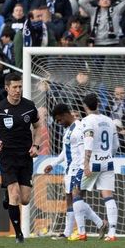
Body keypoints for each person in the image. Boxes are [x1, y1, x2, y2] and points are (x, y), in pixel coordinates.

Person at [0, 72, 40, 242]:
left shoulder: (29, 106)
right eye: (14, 87)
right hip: (7, 156)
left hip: (25, 156)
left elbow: (37, 126)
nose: (18, 90)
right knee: (15, 194)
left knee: (25, 199)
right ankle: (19, 235)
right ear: (7, 88)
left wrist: (36, 145)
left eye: (20, 86)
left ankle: (7, 197)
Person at [43, 103, 104, 240]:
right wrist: (53, 164)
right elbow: (66, 152)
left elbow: (84, 150)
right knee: (71, 200)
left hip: (79, 168)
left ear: (64, 115)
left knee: (76, 197)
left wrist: (85, 166)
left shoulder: (80, 127)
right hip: (69, 170)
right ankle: (70, 232)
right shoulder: (69, 130)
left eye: (59, 120)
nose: (59, 123)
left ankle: (81, 233)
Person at [74, 91, 121, 241]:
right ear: (98, 104)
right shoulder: (109, 121)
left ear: (84, 106)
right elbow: (116, 145)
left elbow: (88, 142)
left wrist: (86, 163)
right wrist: (107, 155)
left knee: (76, 194)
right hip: (107, 162)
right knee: (108, 196)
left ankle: (82, 232)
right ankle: (112, 234)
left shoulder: (87, 121)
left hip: (92, 162)